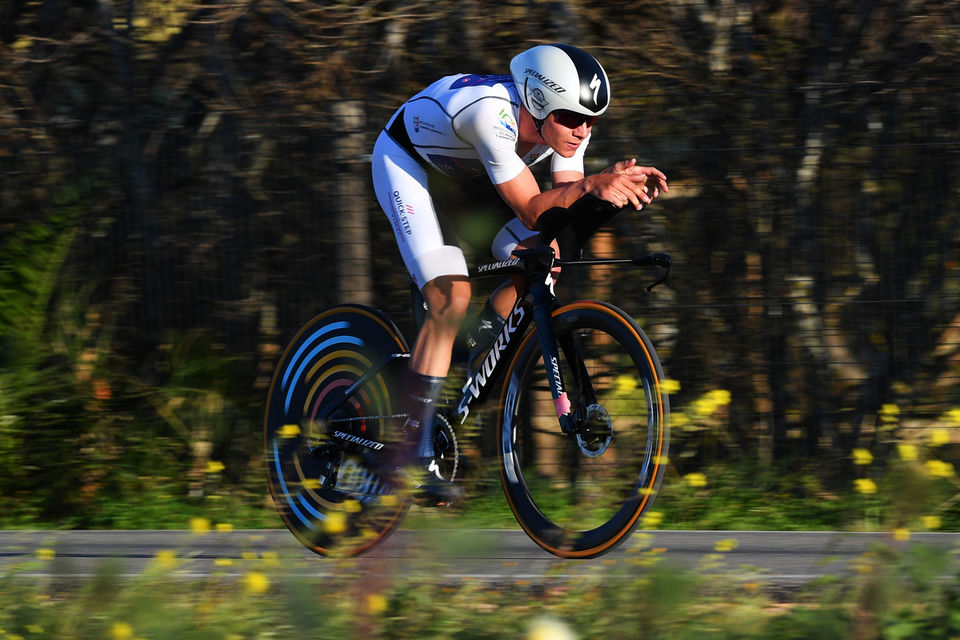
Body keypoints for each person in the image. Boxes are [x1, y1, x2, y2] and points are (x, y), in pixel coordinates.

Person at [370, 43, 668, 504]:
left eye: (591, 120)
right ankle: (411, 448)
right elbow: (532, 209)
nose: (582, 129)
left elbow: (561, 208)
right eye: (571, 118)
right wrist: (594, 184)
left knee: (544, 258)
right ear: (539, 102)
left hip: (472, 177)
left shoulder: (572, 124)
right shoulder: (493, 115)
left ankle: (476, 346)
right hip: (411, 166)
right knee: (451, 297)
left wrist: (608, 193)